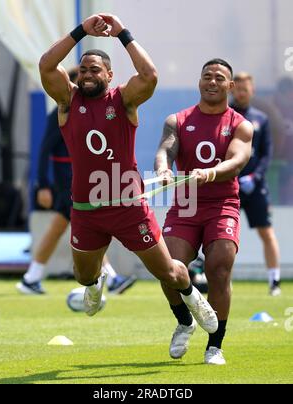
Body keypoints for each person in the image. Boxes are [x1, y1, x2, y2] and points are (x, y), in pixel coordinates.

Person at [38, 13, 218, 336]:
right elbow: (46, 66)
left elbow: (149, 74)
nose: (88, 75)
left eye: (96, 70)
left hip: (128, 206)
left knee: (169, 272)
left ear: (109, 73)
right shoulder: (67, 100)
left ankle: (193, 298)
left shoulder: (123, 100)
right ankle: (95, 285)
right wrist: (81, 31)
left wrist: (121, 32)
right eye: (83, 70)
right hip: (86, 208)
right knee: (82, 276)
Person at [155, 59, 254, 365]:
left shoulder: (240, 124)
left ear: (230, 86)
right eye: (207, 76)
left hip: (221, 204)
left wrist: (211, 173)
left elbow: (237, 161)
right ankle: (185, 320)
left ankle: (215, 346)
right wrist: (163, 169)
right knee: (168, 268)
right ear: (199, 82)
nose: (212, 82)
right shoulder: (178, 119)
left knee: (220, 268)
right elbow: (166, 149)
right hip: (185, 206)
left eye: (219, 78)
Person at [16, 68, 137, 295]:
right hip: (67, 180)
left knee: (61, 226)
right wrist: (42, 184)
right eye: (79, 81)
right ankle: (110, 278)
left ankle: (31, 277)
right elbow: (44, 148)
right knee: (88, 222)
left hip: (79, 179)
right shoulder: (63, 108)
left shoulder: (90, 110)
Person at [231, 72, 281, 296]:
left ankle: (274, 282)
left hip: (254, 186)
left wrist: (254, 177)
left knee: (266, 232)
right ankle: (222, 279)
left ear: (252, 91)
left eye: (245, 89)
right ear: (232, 89)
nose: (241, 93)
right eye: (238, 88)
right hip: (229, 185)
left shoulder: (260, 118)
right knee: (225, 235)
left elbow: (266, 153)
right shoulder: (226, 115)